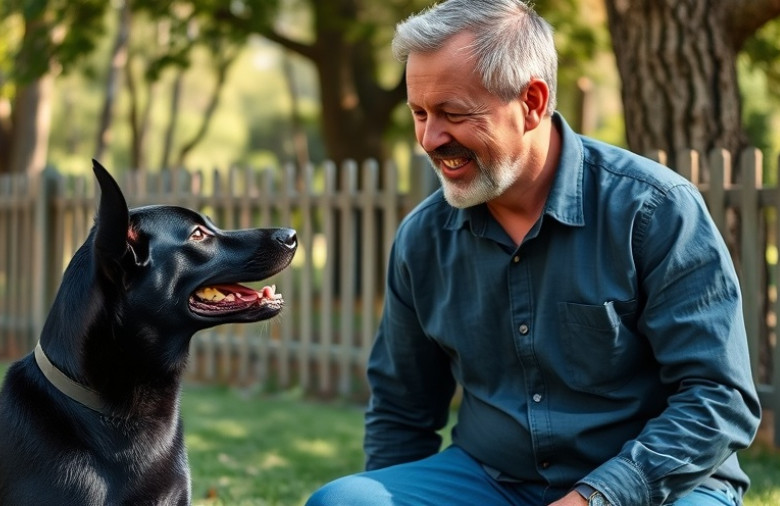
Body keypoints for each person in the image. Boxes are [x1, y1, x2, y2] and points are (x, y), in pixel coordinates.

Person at [306, 1, 762, 505]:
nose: (430, 138)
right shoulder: (423, 238)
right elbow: (401, 407)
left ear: (532, 102)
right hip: (489, 481)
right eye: (419, 113)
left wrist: (598, 496)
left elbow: (717, 398)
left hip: (657, 487)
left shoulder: (654, 211)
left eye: (454, 114)